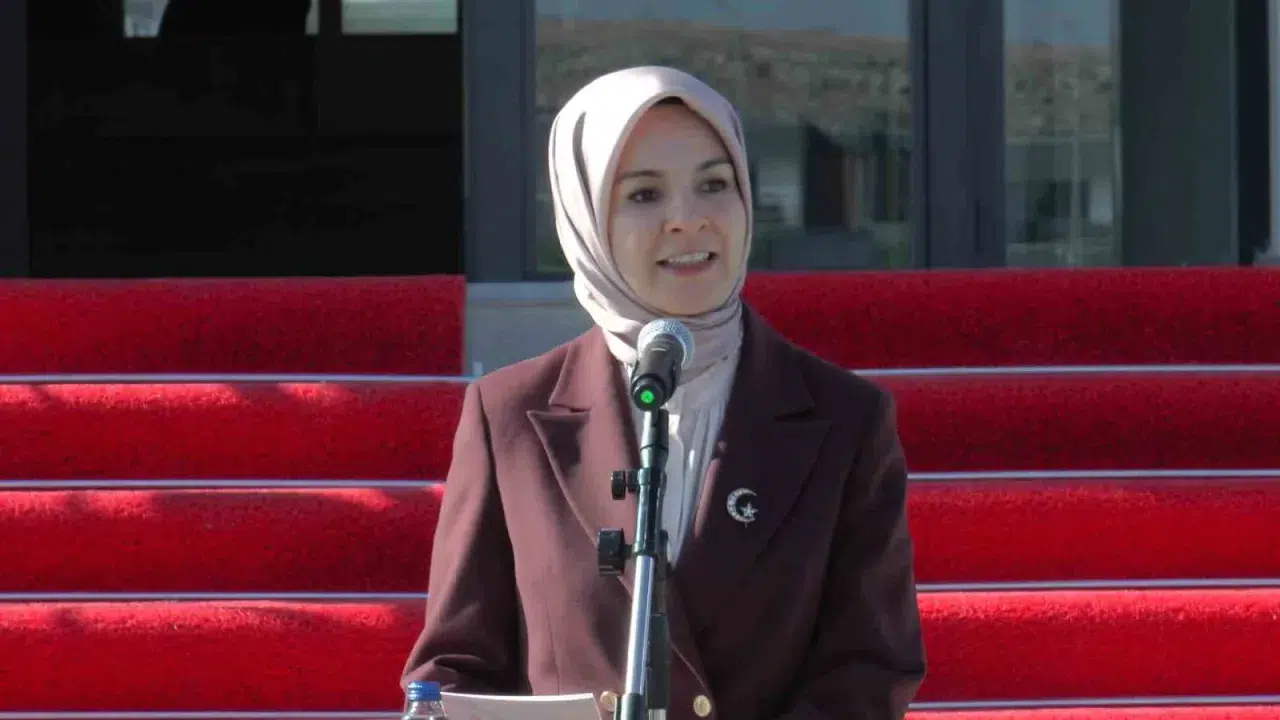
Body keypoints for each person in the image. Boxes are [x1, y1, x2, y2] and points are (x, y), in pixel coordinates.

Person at [402, 65, 926, 720]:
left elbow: (869, 669)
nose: (687, 220)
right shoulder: (508, 415)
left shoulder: (847, 419)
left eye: (714, 184)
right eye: (645, 194)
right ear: (586, 217)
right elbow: (454, 670)